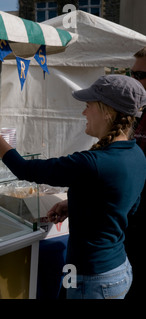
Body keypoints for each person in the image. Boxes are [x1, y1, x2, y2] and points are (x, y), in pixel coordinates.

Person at [0, 74, 146, 299]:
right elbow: (124, 204)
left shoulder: (93, 163)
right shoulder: (137, 154)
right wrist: (75, 203)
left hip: (92, 279)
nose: (84, 112)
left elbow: (25, 170)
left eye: (88, 106)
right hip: (119, 270)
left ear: (108, 112)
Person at [125, 47, 146, 299]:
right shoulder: (138, 114)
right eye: (131, 73)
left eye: (139, 75)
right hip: (129, 220)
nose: (133, 81)